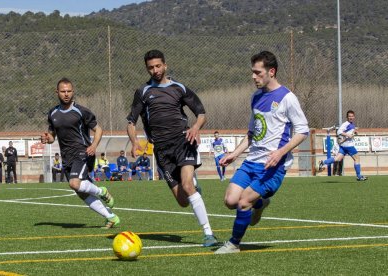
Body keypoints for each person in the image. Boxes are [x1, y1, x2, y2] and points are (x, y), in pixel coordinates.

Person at [214, 51, 309, 254]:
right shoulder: (255, 97)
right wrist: (235, 153)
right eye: (252, 72)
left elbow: (302, 131)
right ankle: (262, 203)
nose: (253, 77)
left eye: (257, 73)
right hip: (251, 162)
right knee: (230, 201)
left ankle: (233, 243)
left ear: (271, 72)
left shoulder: (287, 98)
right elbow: (252, 132)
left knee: (244, 201)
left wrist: (280, 153)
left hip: (272, 165)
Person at [126, 49, 217, 247]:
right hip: (162, 151)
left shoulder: (179, 88)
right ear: (147, 69)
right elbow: (131, 122)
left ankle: (208, 234)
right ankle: (194, 189)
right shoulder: (142, 92)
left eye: (158, 66)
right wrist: (134, 142)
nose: (155, 70)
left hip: (183, 142)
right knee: (183, 201)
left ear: (165, 65)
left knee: (187, 185)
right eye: (151, 67)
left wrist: (195, 127)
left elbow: (201, 113)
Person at [41, 77, 120, 228]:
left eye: (69, 91)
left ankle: (102, 191)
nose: (66, 94)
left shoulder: (81, 111)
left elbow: (98, 129)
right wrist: (47, 138)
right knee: (82, 192)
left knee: (74, 183)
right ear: (57, 92)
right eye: (63, 91)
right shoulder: (53, 113)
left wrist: (94, 145)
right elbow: (52, 136)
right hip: (67, 157)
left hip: (83, 152)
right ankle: (111, 217)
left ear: (73, 92)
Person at [318, 110, 367, 181]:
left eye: (352, 116)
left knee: (337, 159)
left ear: (354, 117)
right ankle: (359, 176)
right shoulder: (346, 124)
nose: (351, 117)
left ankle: (323, 162)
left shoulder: (352, 124)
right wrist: (347, 135)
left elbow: (349, 134)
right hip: (349, 146)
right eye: (349, 116)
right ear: (347, 117)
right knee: (357, 159)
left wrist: (354, 133)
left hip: (344, 145)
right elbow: (339, 131)